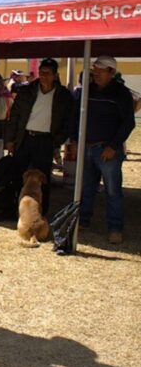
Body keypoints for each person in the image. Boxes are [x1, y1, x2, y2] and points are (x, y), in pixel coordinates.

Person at [67, 56, 135, 244]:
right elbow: (75, 116)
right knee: (86, 187)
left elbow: (128, 123)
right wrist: (73, 140)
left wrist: (113, 146)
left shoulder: (121, 94)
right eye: (95, 69)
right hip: (86, 147)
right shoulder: (86, 91)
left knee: (112, 191)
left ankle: (115, 228)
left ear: (111, 72)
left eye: (101, 70)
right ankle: (84, 220)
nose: (96, 73)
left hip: (107, 151)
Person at [4, 58, 73, 215]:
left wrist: (58, 140)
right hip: (25, 138)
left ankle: (40, 212)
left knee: (42, 179)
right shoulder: (27, 91)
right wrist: (10, 139)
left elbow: (69, 121)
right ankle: (16, 209)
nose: (43, 77)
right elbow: (14, 115)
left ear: (55, 75)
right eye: (41, 73)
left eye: (47, 74)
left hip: (46, 140)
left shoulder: (63, 96)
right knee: (18, 175)